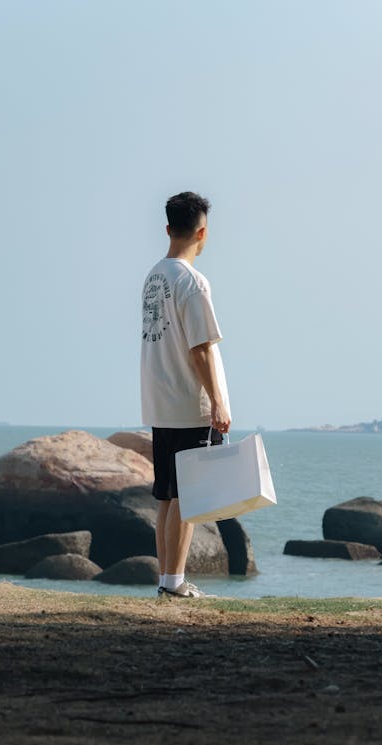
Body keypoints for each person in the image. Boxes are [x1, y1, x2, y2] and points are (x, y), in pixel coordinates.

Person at [140, 191, 231, 598]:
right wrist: (219, 401)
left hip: (160, 400)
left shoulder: (153, 276)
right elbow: (201, 348)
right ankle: (173, 584)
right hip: (188, 403)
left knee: (168, 498)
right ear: (203, 233)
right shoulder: (192, 282)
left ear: (167, 229)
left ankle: (167, 580)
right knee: (188, 498)